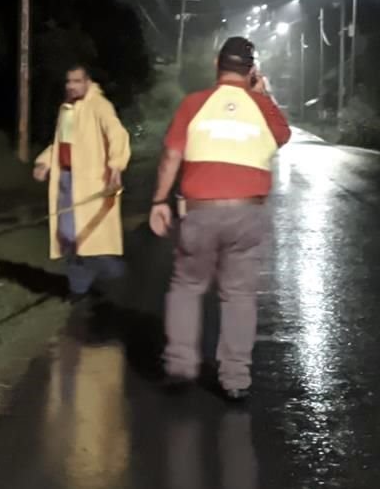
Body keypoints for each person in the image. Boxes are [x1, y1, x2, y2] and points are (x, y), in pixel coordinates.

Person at [149, 36, 291, 401]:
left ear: (217, 63)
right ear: (251, 70)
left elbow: (171, 156)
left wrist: (159, 200)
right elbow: (282, 135)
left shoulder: (195, 104)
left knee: (186, 287)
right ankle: (235, 379)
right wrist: (263, 93)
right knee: (239, 296)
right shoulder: (261, 107)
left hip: (200, 212)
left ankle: (181, 365)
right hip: (248, 213)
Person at [34, 64, 131, 304]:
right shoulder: (67, 109)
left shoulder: (100, 106)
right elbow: (60, 144)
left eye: (77, 81)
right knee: (70, 238)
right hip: (67, 179)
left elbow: (117, 134)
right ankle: (80, 287)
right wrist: (44, 162)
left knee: (81, 237)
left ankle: (107, 270)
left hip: (92, 182)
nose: (72, 86)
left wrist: (116, 164)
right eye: (69, 82)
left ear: (87, 82)